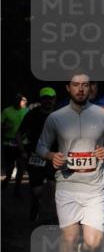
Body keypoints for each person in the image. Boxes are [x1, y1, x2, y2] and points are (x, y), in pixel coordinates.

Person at [36, 74, 104, 252]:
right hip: (67, 186)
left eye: (85, 85)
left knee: (93, 243)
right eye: (76, 85)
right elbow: (41, 145)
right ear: (68, 88)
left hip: (95, 188)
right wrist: (51, 155)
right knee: (70, 239)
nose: (81, 89)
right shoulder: (56, 118)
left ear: (91, 87)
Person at [17, 87, 57, 222]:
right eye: (45, 98)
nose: (48, 101)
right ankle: (35, 204)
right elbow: (18, 133)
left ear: (54, 100)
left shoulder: (59, 115)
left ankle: (53, 215)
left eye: (50, 98)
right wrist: (22, 151)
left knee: (53, 187)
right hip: (35, 157)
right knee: (37, 191)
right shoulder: (32, 114)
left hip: (54, 157)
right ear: (41, 100)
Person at [2, 93, 29, 194]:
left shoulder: (27, 111)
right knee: (9, 170)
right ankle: (6, 180)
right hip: (9, 143)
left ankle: (17, 190)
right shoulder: (7, 111)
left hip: (22, 143)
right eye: (18, 100)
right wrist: (5, 127)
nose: (20, 102)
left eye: (22, 100)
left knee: (21, 167)